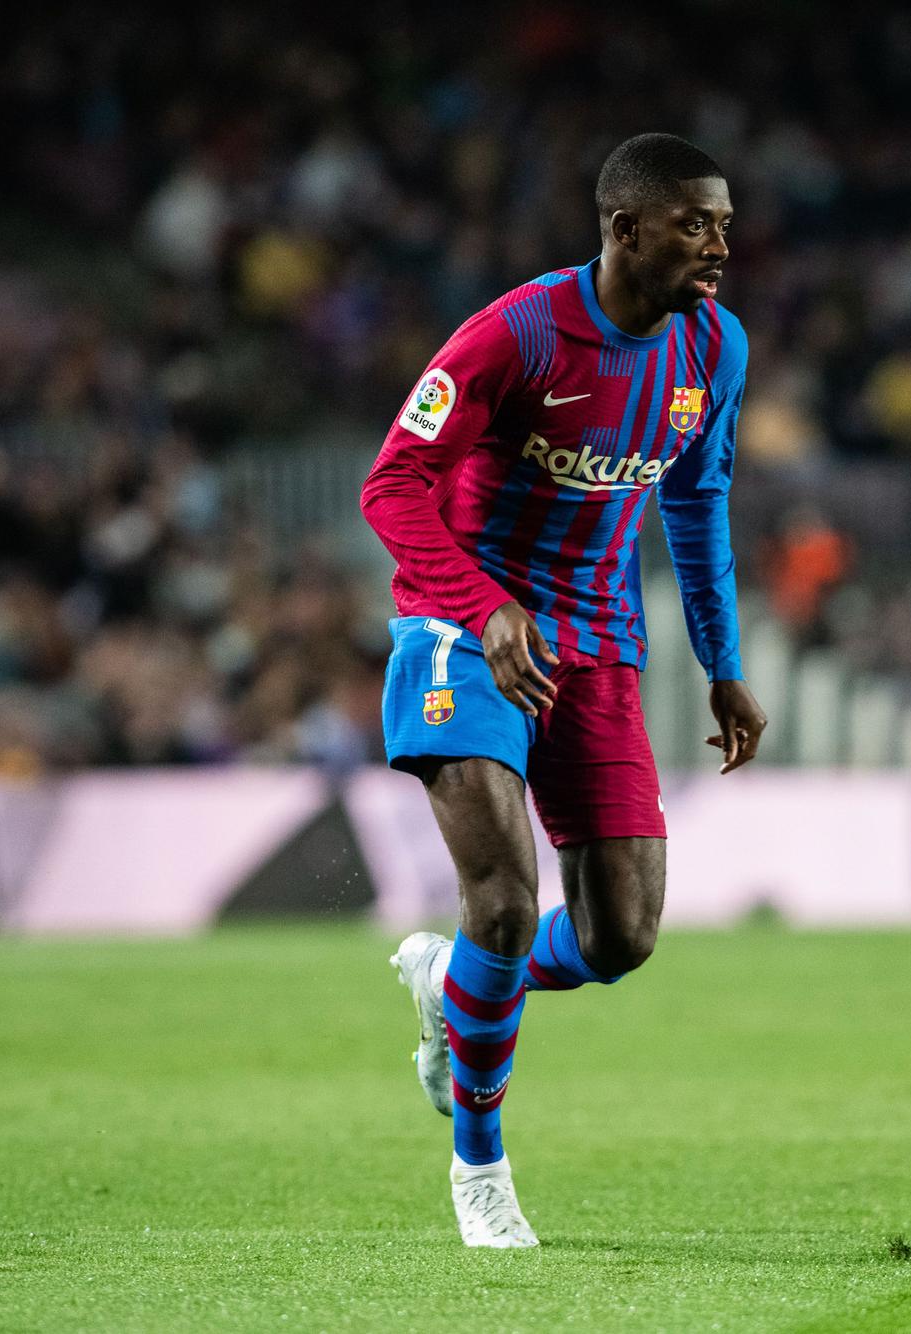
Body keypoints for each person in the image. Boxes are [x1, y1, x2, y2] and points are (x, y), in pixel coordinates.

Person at [360, 133, 768, 1248]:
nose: (721, 244)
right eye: (697, 223)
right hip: (462, 629)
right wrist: (481, 603)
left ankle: (458, 987)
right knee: (499, 896)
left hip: (597, 647)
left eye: (724, 223)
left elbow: (697, 504)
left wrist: (723, 663)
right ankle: (479, 1168)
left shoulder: (711, 348)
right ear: (625, 228)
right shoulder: (517, 333)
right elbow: (391, 484)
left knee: (619, 934)